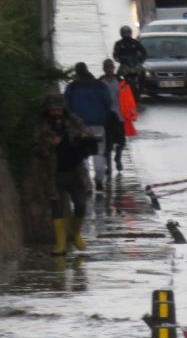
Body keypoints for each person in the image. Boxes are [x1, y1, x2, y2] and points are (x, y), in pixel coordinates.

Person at [35, 94, 95, 254]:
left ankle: (75, 234)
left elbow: (88, 136)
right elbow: (37, 149)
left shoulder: (74, 122)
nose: (56, 112)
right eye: (53, 109)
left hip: (76, 173)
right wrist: (49, 144)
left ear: (63, 109)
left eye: (58, 109)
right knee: (57, 208)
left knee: (81, 205)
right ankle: (60, 245)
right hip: (54, 174)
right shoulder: (43, 126)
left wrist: (82, 138)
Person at [64, 62, 112, 191]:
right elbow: (108, 102)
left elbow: (66, 105)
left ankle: (86, 184)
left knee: (82, 155)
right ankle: (99, 180)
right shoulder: (100, 85)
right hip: (98, 124)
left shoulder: (72, 87)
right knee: (99, 152)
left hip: (79, 126)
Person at [99, 59, 137, 173]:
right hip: (106, 118)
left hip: (120, 117)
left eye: (111, 68)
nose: (109, 70)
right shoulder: (100, 83)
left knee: (121, 141)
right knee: (108, 143)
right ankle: (108, 166)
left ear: (113, 69)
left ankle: (118, 157)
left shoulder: (122, 83)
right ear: (104, 69)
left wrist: (131, 114)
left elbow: (129, 99)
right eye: (107, 68)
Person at [113, 26, 148, 98]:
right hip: (125, 64)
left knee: (143, 73)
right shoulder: (119, 44)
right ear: (121, 34)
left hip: (135, 64)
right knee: (118, 76)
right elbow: (115, 54)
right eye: (125, 33)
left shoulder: (135, 42)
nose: (126, 35)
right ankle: (119, 90)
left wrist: (141, 60)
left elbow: (143, 51)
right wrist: (119, 59)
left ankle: (142, 88)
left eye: (127, 33)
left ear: (130, 33)